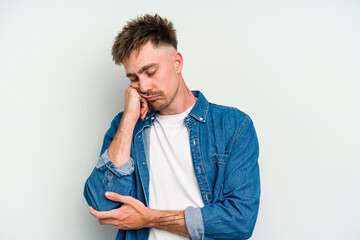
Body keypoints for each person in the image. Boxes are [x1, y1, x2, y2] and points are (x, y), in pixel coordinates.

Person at [84, 14, 260, 240]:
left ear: (177, 62)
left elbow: (240, 220)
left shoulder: (234, 125)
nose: (144, 86)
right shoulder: (124, 126)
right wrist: (129, 119)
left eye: (150, 72)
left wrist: (150, 218)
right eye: (134, 79)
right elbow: (102, 205)